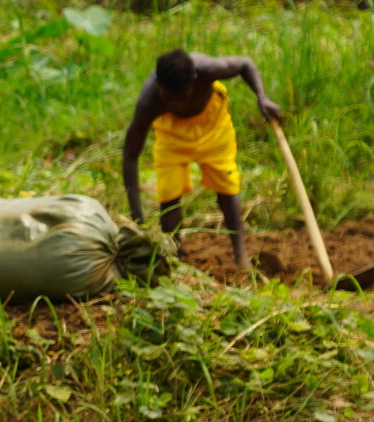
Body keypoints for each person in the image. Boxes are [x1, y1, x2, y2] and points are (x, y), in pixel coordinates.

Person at [121, 47, 284, 274]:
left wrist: (262, 97)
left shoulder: (209, 69)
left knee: (226, 183)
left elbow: (245, 64)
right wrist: (137, 220)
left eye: (182, 98)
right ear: (159, 85)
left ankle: (240, 256)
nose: (176, 105)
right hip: (171, 133)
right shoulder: (149, 102)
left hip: (212, 122)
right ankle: (173, 256)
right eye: (169, 98)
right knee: (169, 190)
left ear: (195, 81)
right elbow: (130, 155)